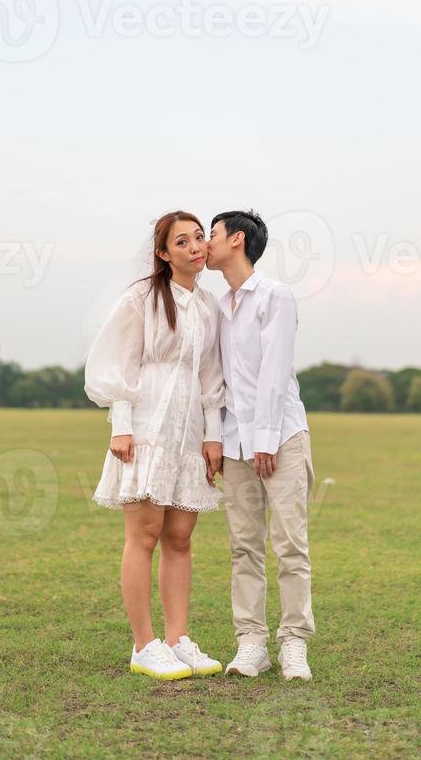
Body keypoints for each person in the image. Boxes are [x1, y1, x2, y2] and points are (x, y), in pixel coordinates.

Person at [84, 210, 225, 681]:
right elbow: (116, 360)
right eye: (182, 241)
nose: (195, 247)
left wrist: (212, 436)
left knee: (180, 538)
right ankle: (144, 645)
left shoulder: (208, 306)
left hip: (188, 433)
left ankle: (177, 639)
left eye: (200, 238)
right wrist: (120, 423)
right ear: (163, 253)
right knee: (143, 536)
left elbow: (211, 377)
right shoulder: (141, 298)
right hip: (145, 427)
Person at [206, 209, 315, 681]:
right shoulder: (219, 306)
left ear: (235, 239)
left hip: (281, 437)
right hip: (233, 441)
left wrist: (266, 440)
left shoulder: (275, 295)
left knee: (290, 544)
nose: (204, 244)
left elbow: (275, 371)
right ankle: (251, 643)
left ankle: (294, 643)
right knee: (243, 547)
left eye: (209, 235)